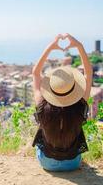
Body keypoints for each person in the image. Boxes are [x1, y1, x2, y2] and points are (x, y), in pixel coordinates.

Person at [31, 33, 93, 172]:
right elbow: (88, 73)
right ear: (73, 88)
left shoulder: (42, 104)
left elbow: (35, 73)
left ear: (51, 89)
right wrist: (79, 46)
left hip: (47, 163)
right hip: (73, 163)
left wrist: (51, 47)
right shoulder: (80, 105)